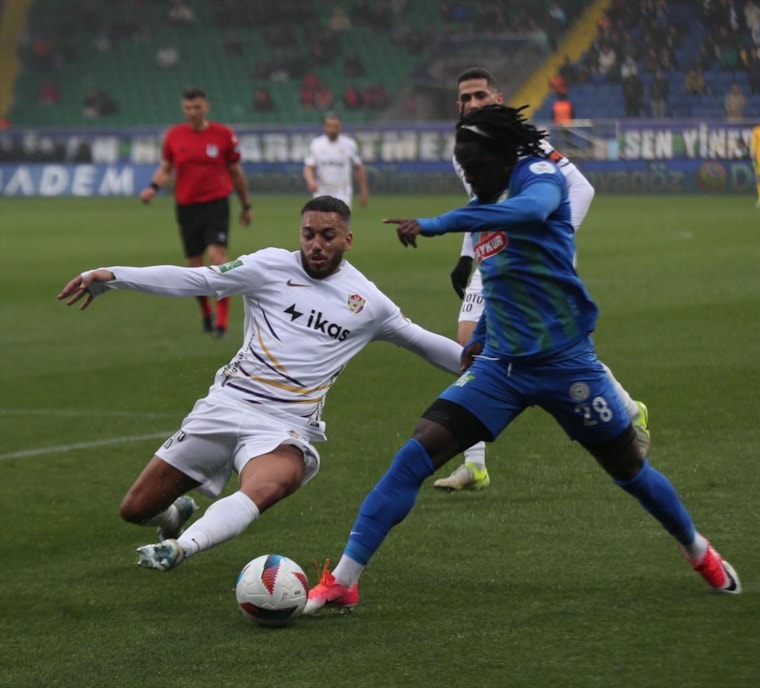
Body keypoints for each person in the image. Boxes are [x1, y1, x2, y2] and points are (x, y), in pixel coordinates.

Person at [303, 106, 741, 615]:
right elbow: (503, 278)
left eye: (472, 163)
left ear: (501, 154)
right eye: (461, 165)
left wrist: (439, 224)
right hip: (501, 368)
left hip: (567, 367)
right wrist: (481, 335)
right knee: (415, 454)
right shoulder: (485, 199)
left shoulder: (539, 177)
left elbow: (531, 213)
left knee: (629, 469)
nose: (467, 174)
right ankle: (345, 580)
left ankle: (698, 551)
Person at [56, 196, 463, 573]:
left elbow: (426, 344)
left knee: (266, 486)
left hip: (284, 427)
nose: (315, 245)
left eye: (327, 236)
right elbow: (197, 279)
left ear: (348, 240)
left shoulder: (368, 303)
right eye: (308, 234)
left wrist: (491, 369)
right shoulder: (268, 266)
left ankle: (182, 548)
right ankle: (175, 515)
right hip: (226, 405)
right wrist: (114, 275)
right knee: (136, 509)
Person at [436, 66, 649, 492]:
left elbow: (582, 188)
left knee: (551, 350)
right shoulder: (465, 148)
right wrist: (466, 256)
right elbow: (483, 204)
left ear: (498, 99)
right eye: (466, 98)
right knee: (469, 345)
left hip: (534, 262)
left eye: (480, 96)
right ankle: (475, 465)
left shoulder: (524, 141)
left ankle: (628, 410)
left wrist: (554, 237)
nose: (473, 104)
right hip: (495, 258)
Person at [139, 88, 252, 338]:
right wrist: (153, 188)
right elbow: (166, 168)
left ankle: (222, 320)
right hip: (187, 206)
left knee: (218, 258)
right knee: (194, 266)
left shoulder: (223, 135)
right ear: (183, 109)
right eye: (188, 108)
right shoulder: (174, 135)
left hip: (216, 203)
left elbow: (235, 172)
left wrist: (246, 205)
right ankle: (206, 312)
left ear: (206, 107)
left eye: (197, 107)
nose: (192, 112)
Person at [303, 111, 369, 209]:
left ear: (340, 126)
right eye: (329, 126)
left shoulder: (349, 144)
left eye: (335, 126)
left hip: (342, 192)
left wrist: (364, 191)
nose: (332, 129)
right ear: (324, 127)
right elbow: (308, 167)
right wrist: (311, 181)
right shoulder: (316, 144)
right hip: (321, 192)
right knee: (321, 218)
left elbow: (359, 168)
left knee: (339, 218)